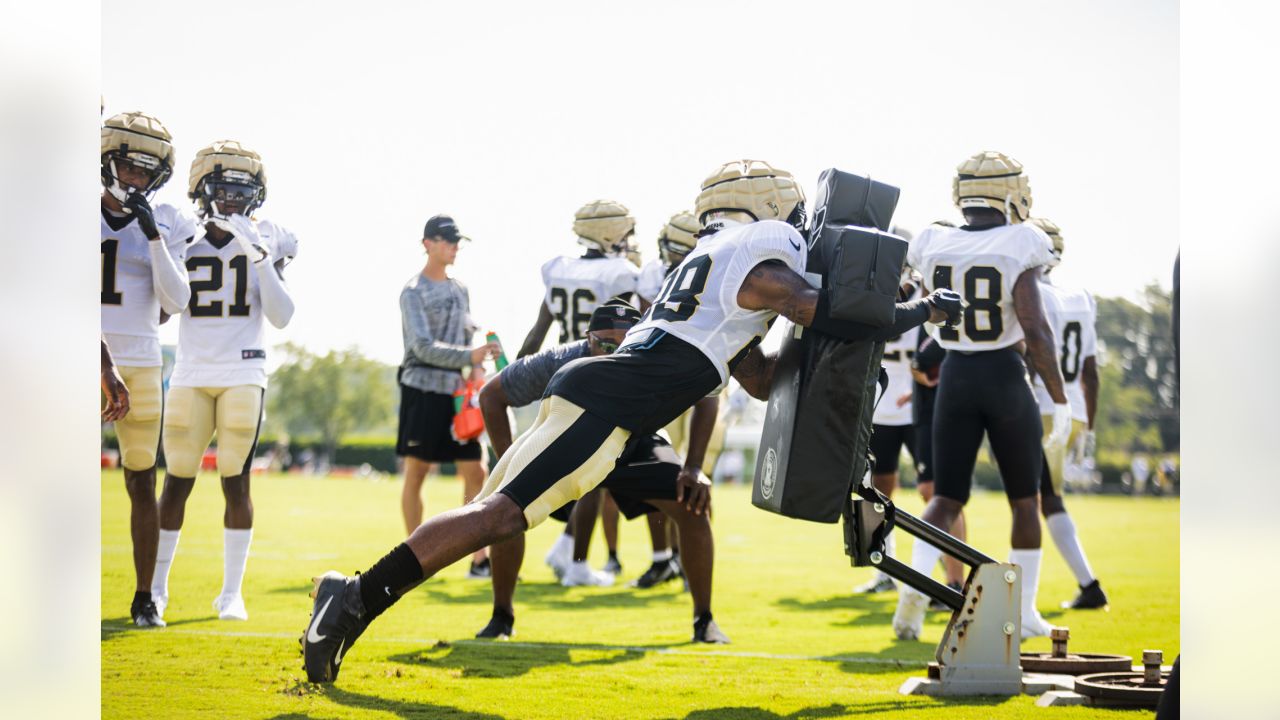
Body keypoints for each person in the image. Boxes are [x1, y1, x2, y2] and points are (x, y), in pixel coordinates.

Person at [302, 158, 959, 682]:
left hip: (609, 404)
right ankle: (355, 598)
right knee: (498, 515)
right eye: (789, 211)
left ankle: (351, 594)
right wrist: (921, 310)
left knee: (500, 512)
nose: (799, 225)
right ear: (763, 208)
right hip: (609, 404)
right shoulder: (756, 260)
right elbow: (823, 309)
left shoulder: (724, 266)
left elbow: (756, 378)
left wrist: (830, 354)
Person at [893, 151, 1070, 642]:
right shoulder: (1023, 241)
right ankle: (1027, 612)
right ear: (1011, 192)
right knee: (1024, 500)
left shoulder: (932, 239)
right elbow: (1035, 328)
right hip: (1004, 374)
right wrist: (1059, 397)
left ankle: (913, 592)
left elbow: (914, 292)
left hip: (955, 375)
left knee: (945, 498)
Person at [473, 299, 726, 641]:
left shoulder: (655, 356)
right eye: (605, 344)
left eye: (624, 344)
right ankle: (501, 616)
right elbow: (491, 394)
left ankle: (704, 620)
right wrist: (510, 459)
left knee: (691, 504)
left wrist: (694, 466)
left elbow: (707, 394)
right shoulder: (562, 359)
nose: (614, 352)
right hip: (574, 444)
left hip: (634, 444)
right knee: (505, 509)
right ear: (587, 338)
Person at [151, 140, 296, 622]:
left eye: (241, 191)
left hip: (243, 370)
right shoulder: (182, 233)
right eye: (223, 189)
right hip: (192, 371)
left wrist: (259, 259)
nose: (232, 199)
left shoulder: (267, 237)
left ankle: (232, 593)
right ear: (201, 189)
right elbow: (164, 310)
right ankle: (155, 589)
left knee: (236, 482)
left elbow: (282, 316)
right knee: (176, 482)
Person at [100, 111, 193, 627]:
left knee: (141, 481)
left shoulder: (168, 220)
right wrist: (103, 364)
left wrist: (152, 235)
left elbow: (176, 300)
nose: (135, 179)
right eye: (127, 168)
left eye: (144, 172)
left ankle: (143, 597)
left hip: (139, 361)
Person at [519, 200, 641, 576]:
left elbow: (539, 331)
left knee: (580, 470)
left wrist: (514, 375)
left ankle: (568, 550)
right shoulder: (620, 273)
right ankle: (574, 562)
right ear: (611, 233)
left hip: (561, 373)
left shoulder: (559, 270)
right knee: (597, 472)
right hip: (602, 374)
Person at [397, 214, 500, 577]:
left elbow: (468, 332)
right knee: (418, 471)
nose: (455, 247)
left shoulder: (460, 288)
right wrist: (467, 357)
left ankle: (478, 559)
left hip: (458, 393)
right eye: (448, 240)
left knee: (477, 470)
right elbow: (421, 347)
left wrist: (477, 365)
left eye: (457, 241)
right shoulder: (413, 291)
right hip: (422, 388)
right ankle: (413, 562)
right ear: (428, 243)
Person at [1025, 217, 1108, 610]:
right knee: (1046, 498)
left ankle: (1085, 585)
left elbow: (1031, 354)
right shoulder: (1080, 297)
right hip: (1073, 411)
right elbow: (1091, 372)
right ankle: (1086, 585)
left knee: (1038, 501)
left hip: (1044, 407)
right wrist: (1087, 426)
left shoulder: (1031, 295)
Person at [634, 211, 718, 589]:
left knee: (695, 479)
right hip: (665, 380)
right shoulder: (655, 273)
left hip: (700, 379)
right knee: (661, 474)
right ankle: (665, 559)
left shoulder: (709, 268)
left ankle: (686, 562)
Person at [854, 270, 922, 595]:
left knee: (934, 492)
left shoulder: (929, 292)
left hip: (919, 405)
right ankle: (887, 570)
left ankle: (941, 571)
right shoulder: (874, 296)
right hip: (881, 406)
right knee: (880, 493)